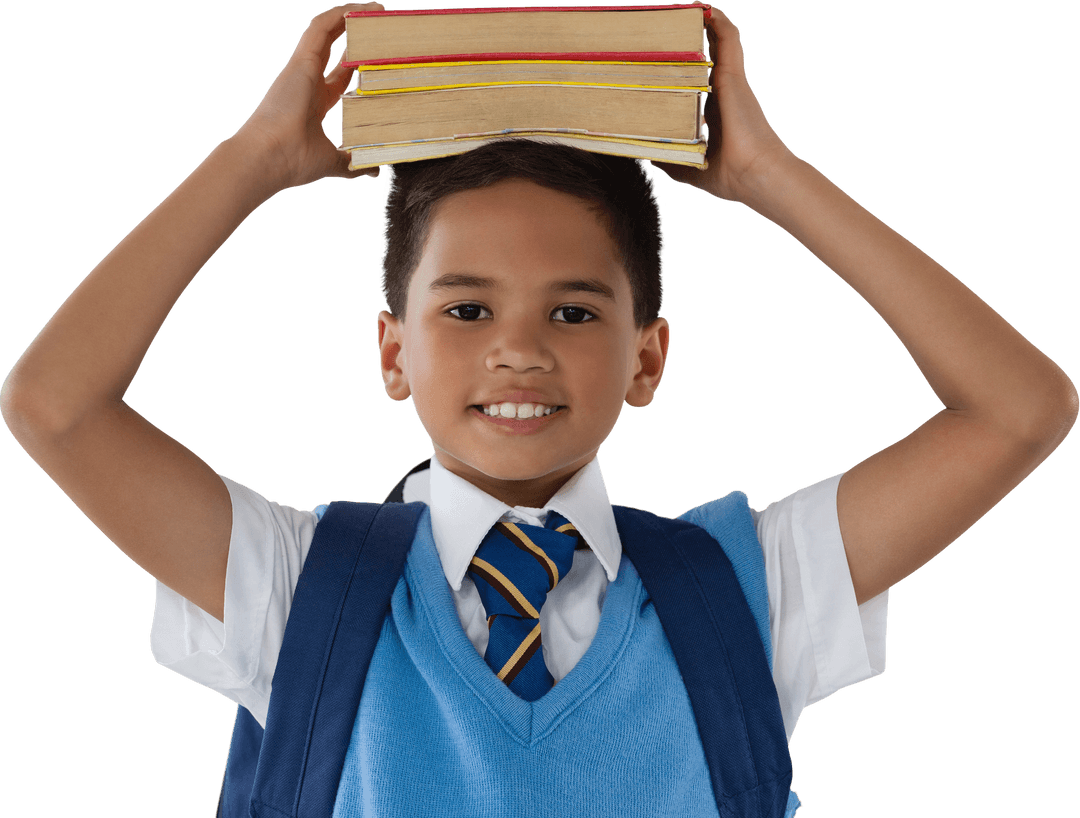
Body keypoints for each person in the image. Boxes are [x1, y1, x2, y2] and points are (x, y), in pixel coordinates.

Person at [2, 2, 1075, 815]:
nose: (517, 347)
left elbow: (1019, 409)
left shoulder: (742, 593)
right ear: (392, 349)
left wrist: (767, 173)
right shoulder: (301, 590)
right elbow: (54, 405)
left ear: (648, 356)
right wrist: (253, 161)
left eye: (573, 310)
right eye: (465, 306)